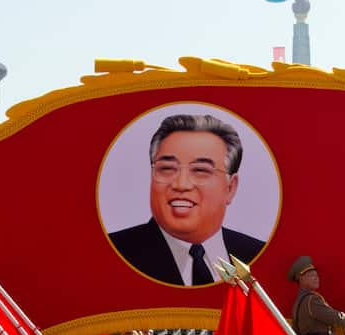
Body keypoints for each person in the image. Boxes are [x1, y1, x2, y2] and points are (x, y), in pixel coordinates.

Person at [107, 113, 264, 286]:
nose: (181, 184)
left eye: (200, 170)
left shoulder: (256, 254)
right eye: (167, 168)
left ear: (230, 188)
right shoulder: (113, 253)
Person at [288, 256, 345, 335]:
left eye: (316, 275)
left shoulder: (299, 301)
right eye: (311, 275)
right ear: (301, 279)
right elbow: (339, 319)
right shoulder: (312, 300)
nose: (316, 278)